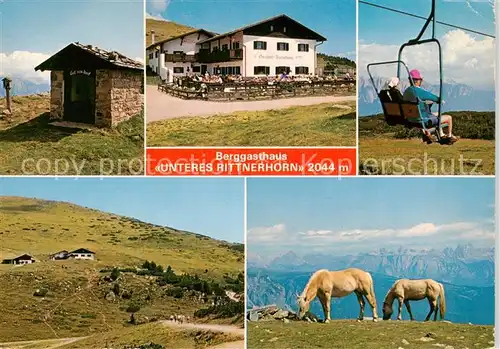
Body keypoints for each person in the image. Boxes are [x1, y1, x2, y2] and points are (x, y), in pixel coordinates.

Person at [403, 69, 458, 143]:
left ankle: (440, 134)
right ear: (419, 80)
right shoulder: (419, 91)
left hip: (411, 118)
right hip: (422, 120)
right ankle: (449, 136)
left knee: (437, 114)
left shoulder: (407, 91)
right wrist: (439, 100)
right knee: (449, 118)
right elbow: (433, 97)